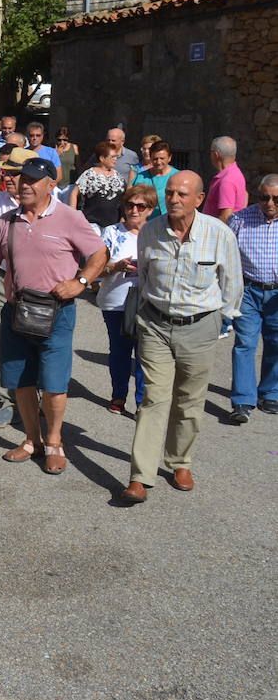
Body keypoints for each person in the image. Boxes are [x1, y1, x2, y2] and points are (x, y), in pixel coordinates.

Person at [0, 158, 107, 476]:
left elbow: (99, 253)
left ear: (50, 185)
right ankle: (31, 440)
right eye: (22, 179)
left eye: (33, 180)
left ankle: (55, 443)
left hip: (56, 313)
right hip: (16, 311)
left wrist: (81, 282)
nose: (25, 185)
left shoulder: (69, 218)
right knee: (21, 381)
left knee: (55, 385)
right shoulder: (6, 221)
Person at [121, 172, 242, 503]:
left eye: (182, 194)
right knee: (153, 400)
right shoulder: (151, 231)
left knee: (189, 400)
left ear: (199, 199)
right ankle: (140, 476)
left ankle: (179, 462)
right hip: (156, 325)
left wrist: (224, 321)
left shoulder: (219, 234)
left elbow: (232, 282)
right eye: (170, 193)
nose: (173, 199)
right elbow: (144, 277)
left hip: (200, 326)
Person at [0, 147, 35, 427]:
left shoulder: (51, 202)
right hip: (1, 280)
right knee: (1, 341)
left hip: (35, 284)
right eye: (5, 172)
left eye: (13, 173)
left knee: (32, 340)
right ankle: (7, 401)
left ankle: (34, 397)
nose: (7, 178)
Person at [98, 184, 154, 414]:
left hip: (147, 302)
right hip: (116, 301)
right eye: (130, 204)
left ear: (150, 209)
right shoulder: (111, 232)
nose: (134, 210)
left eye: (141, 206)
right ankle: (118, 395)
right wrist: (116, 266)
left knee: (145, 353)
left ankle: (142, 401)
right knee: (120, 352)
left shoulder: (156, 233)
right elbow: (97, 268)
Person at [227, 174, 278, 424]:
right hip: (248, 290)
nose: (269, 203)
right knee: (245, 343)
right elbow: (225, 254)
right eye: (264, 197)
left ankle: (269, 393)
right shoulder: (240, 219)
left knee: (276, 343)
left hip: (277, 294)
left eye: (276, 199)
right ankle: (242, 401)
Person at [69, 141, 127, 234]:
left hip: (112, 225)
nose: (115, 159)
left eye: (116, 156)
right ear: (102, 158)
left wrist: (123, 217)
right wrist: (72, 215)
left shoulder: (118, 177)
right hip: (92, 223)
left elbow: (124, 199)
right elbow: (74, 193)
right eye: (112, 157)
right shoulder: (90, 174)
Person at [201, 136, 246, 224]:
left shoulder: (227, 181)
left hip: (218, 234)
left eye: (211, 152)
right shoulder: (235, 173)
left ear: (216, 154)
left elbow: (226, 215)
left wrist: (214, 234)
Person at [132, 140, 178, 218]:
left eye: (162, 158)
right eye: (155, 159)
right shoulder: (141, 177)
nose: (158, 162)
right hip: (146, 223)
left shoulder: (178, 176)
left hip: (170, 222)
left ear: (169, 158)